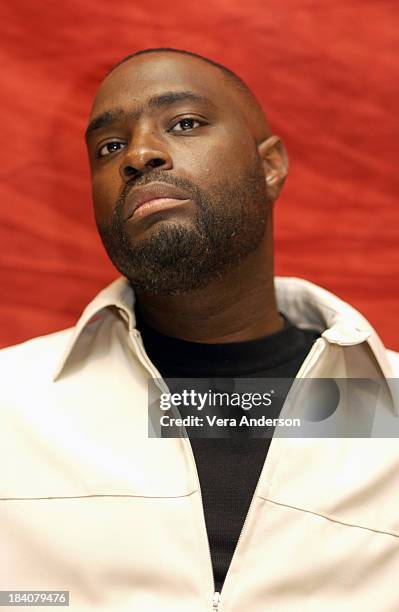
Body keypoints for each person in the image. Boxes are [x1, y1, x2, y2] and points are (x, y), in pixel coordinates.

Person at [1, 48, 398, 612]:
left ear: (269, 166)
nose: (138, 154)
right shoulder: (10, 404)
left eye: (184, 123)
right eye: (109, 146)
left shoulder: (389, 405)